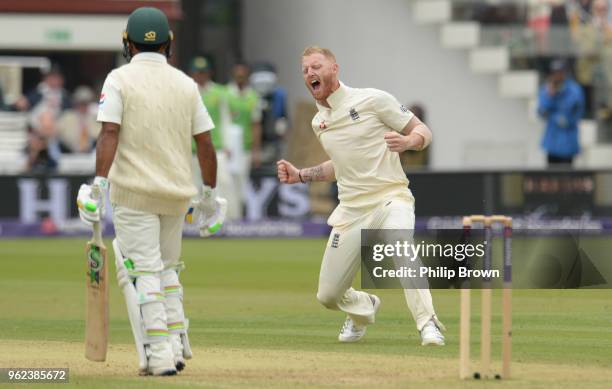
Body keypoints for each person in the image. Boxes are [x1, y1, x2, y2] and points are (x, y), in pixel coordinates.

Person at [76, 7, 226, 376]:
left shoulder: (117, 79)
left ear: (127, 42)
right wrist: (208, 193)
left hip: (134, 194)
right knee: (168, 269)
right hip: (176, 195)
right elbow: (205, 144)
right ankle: (176, 343)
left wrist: (98, 184)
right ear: (168, 44)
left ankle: (159, 355)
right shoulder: (186, 84)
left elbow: (109, 133)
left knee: (143, 272)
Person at [277, 46, 445, 345]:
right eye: (305, 70)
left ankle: (428, 324)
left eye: (316, 66)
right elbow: (340, 166)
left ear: (334, 69)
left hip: (390, 196)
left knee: (400, 245)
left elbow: (423, 132)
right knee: (328, 296)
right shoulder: (319, 122)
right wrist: (301, 175)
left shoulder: (372, 99)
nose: (310, 73)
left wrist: (408, 141)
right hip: (352, 210)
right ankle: (363, 308)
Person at [189, 56, 239, 219]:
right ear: (193, 73)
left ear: (209, 73)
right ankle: (193, 222)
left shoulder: (219, 92)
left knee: (223, 183)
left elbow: (226, 119)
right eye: (198, 72)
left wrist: (228, 144)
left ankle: (228, 220)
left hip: (215, 147)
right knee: (193, 187)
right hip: (192, 149)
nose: (201, 76)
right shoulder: (188, 91)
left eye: (204, 72)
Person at [226, 62, 263, 211]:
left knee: (241, 181)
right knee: (226, 181)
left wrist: (256, 151)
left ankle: (238, 217)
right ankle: (228, 216)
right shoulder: (226, 94)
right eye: (237, 75)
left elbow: (256, 125)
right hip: (227, 148)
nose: (240, 78)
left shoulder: (253, 97)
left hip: (245, 147)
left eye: (242, 76)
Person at [537, 59, 585, 166]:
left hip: (568, 144)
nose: (558, 76)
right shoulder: (546, 90)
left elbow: (572, 114)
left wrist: (554, 115)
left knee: (567, 177)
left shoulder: (574, 90)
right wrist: (550, 96)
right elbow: (541, 112)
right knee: (551, 177)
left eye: (560, 72)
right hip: (552, 144)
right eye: (555, 73)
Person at [57, 86, 100, 153]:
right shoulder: (66, 116)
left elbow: (99, 135)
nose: (83, 106)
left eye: (85, 103)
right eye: (80, 103)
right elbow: (59, 135)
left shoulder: (95, 118)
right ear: (75, 103)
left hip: (91, 153)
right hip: (68, 153)